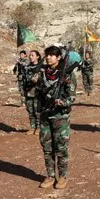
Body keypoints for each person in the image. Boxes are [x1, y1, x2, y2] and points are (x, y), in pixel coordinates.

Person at [34, 46, 74, 189]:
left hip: (60, 116)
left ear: (58, 57)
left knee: (61, 148)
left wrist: (61, 102)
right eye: (47, 55)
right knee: (47, 147)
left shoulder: (66, 74)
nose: (49, 57)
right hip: (45, 114)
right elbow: (38, 92)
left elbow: (72, 97)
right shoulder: (43, 72)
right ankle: (50, 175)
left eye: (52, 55)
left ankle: (62, 176)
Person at [23, 50, 42, 131]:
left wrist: (38, 79)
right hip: (28, 92)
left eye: (33, 55)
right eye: (30, 55)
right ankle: (32, 127)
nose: (31, 57)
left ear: (37, 56)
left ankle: (38, 127)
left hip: (37, 92)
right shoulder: (27, 67)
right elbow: (24, 79)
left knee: (37, 111)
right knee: (30, 111)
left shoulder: (41, 68)